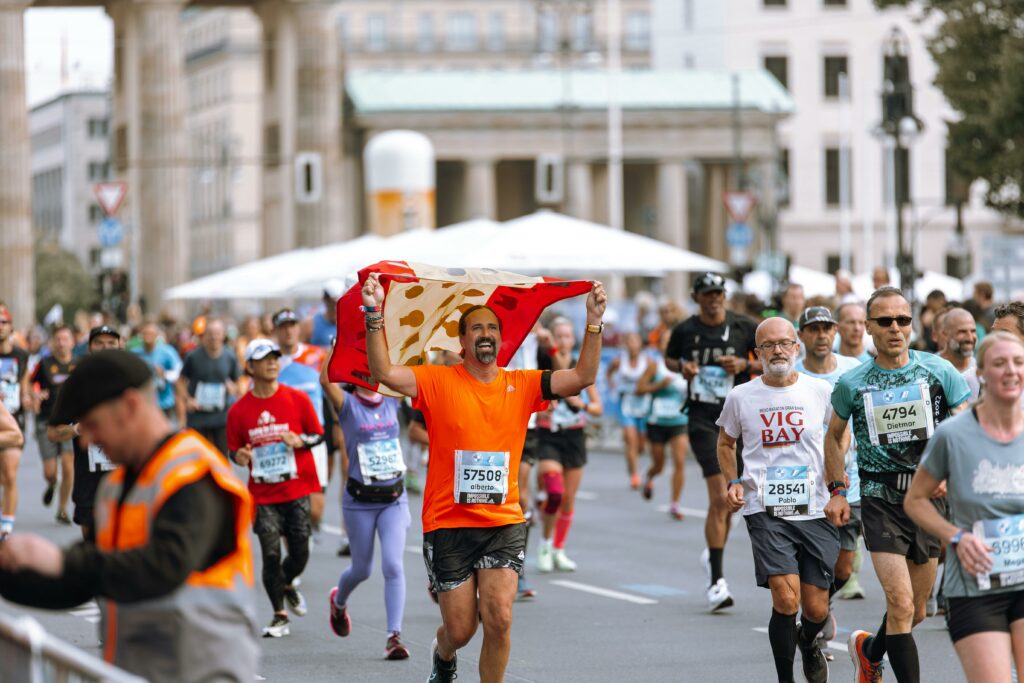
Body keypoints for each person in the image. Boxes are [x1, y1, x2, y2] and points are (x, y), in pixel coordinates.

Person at [361, 271, 606, 683]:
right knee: (460, 629)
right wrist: (374, 314)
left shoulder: (522, 384)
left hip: (503, 521)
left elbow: (582, 377)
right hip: (449, 523)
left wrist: (594, 322)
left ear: (501, 338)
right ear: (462, 341)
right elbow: (384, 371)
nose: (486, 334)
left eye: (493, 327)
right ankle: (444, 653)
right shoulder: (437, 381)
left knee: (500, 618)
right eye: (477, 328)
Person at [0, 350, 259, 682]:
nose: (87, 441)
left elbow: (164, 566)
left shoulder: (193, 472)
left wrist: (62, 562)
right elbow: (91, 578)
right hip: (137, 670)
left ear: (130, 405)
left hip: (202, 670)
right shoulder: (117, 486)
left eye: (93, 425)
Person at [827, 286, 971, 683]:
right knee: (901, 603)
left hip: (927, 498)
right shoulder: (852, 382)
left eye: (903, 320)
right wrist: (837, 490)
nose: (895, 328)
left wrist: (950, 471)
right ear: (869, 327)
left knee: (917, 610)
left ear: (912, 324)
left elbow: (965, 426)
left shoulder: (938, 371)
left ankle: (869, 650)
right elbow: (834, 436)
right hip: (879, 496)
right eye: (885, 321)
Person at [717, 317, 837, 683]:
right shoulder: (741, 396)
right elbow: (726, 442)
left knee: (815, 608)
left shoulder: (820, 391)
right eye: (768, 345)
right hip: (765, 509)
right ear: (758, 352)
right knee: (786, 600)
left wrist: (839, 486)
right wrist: (733, 481)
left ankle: (809, 640)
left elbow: (837, 440)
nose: (778, 351)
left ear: (796, 347)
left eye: (784, 343)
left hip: (815, 507)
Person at [905, 331, 1024, 683]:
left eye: (1018, 363)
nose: (1011, 371)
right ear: (981, 372)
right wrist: (956, 536)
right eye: (1000, 363)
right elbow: (916, 500)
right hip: (975, 589)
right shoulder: (953, 435)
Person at [665, 272, 760, 612]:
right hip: (704, 421)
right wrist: (684, 368)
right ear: (696, 297)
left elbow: (770, 358)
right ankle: (717, 581)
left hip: (742, 419)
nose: (714, 298)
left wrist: (745, 363)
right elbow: (670, 359)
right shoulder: (685, 330)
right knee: (721, 496)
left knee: (743, 494)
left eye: (718, 292)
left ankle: (713, 550)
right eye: (707, 293)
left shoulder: (743, 326)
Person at [320, 341, 411, 660]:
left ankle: (393, 636)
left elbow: (408, 363)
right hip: (359, 500)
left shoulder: (391, 399)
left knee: (393, 565)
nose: (370, 376)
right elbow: (325, 380)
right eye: (364, 371)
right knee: (361, 569)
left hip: (393, 499)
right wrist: (335, 348)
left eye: (374, 370)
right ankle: (339, 602)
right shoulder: (346, 405)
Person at [226, 338, 323, 638]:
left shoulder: (296, 399)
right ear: (250, 367)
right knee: (269, 554)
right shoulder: (239, 411)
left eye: (275, 358)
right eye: (264, 358)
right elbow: (234, 450)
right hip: (264, 494)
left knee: (299, 553)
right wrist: (240, 456)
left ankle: (287, 582)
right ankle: (279, 614)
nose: (272, 363)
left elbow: (317, 435)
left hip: (296, 489)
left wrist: (300, 441)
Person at [795, 307, 866, 621]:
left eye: (826, 328)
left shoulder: (854, 369)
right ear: (801, 336)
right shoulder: (792, 374)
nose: (821, 335)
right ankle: (813, 614)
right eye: (813, 329)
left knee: (844, 566)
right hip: (804, 482)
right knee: (804, 559)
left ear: (835, 332)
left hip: (848, 481)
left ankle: (821, 605)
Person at [536, 317, 603, 573]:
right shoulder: (543, 363)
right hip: (549, 434)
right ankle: (544, 544)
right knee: (555, 493)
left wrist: (582, 405)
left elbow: (598, 407)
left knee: (568, 500)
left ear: (573, 340)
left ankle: (558, 549)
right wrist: (541, 407)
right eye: (559, 336)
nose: (563, 340)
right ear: (552, 338)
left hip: (574, 436)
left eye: (567, 336)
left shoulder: (582, 367)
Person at [47, 325, 122, 539]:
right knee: (91, 541)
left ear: (119, 345)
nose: (105, 348)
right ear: (89, 347)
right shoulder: (75, 385)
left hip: (124, 475)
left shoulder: (132, 381)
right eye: (99, 343)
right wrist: (76, 429)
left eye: (111, 343)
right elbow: (53, 433)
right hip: (88, 475)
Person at [274, 309, 329, 537]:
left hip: (313, 436)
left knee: (315, 509)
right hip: (283, 441)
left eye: (292, 325)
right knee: (287, 505)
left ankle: (308, 526)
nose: (288, 330)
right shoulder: (270, 361)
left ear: (299, 328)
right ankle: (294, 562)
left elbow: (333, 387)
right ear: (276, 331)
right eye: (283, 326)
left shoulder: (317, 356)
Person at [635, 347, 689, 520]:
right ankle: (649, 476)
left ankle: (675, 504)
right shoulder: (654, 365)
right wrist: (659, 385)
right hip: (657, 422)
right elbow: (639, 389)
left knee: (680, 461)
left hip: (679, 421)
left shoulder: (686, 366)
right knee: (659, 464)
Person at [30, 326, 77, 524]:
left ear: (72, 342)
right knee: (50, 472)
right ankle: (52, 484)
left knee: (68, 466)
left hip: (71, 422)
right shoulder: (45, 363)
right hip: (47, 421)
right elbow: (31, 382)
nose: (61, 343)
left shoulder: (79, 365)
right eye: (58, 339)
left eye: (65, 339)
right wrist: (35, 395)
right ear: (53, 342)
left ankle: (62, 508)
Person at [178, 318, 241, 455]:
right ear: (204, 335)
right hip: (198, 416)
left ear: (223, 335)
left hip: (221, 416)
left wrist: (234, 388)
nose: (214, 337)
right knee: (197, 458)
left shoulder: (230, 356)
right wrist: (188, 399)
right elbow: (180, 381)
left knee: (222, 457)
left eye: (218, 333)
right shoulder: (193, 356)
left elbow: (238, 382)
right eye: (211, 333)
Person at [606, 331, 652, 489]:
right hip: (625, 403)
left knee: (641, 444)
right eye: (630, 341)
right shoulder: (619, 361)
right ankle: (634, 475)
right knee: (630, 438)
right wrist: (612, 384)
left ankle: (631, 459)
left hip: (643, 404)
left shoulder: (647, 361)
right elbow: (608, 372)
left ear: (640, 344)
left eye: (635, 341)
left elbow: (654, 376)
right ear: (626, 344)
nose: (632, 344)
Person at [0, 304, 30, 537]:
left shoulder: (21, 356)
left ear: (11, 327)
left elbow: (24, 386)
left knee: (10, 473)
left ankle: (6, 527)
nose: (0, 327)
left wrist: (29, 399)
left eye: (4, 322)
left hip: (13, 419)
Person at [133, 319, 183, 424]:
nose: (148, 336)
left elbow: (178, 373)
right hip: (144, 403)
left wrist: (164, 374)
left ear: (156, 335)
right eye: (145, 333)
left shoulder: (167, 351)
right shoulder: (135, 353)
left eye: (151, 333)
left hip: (165, 403)